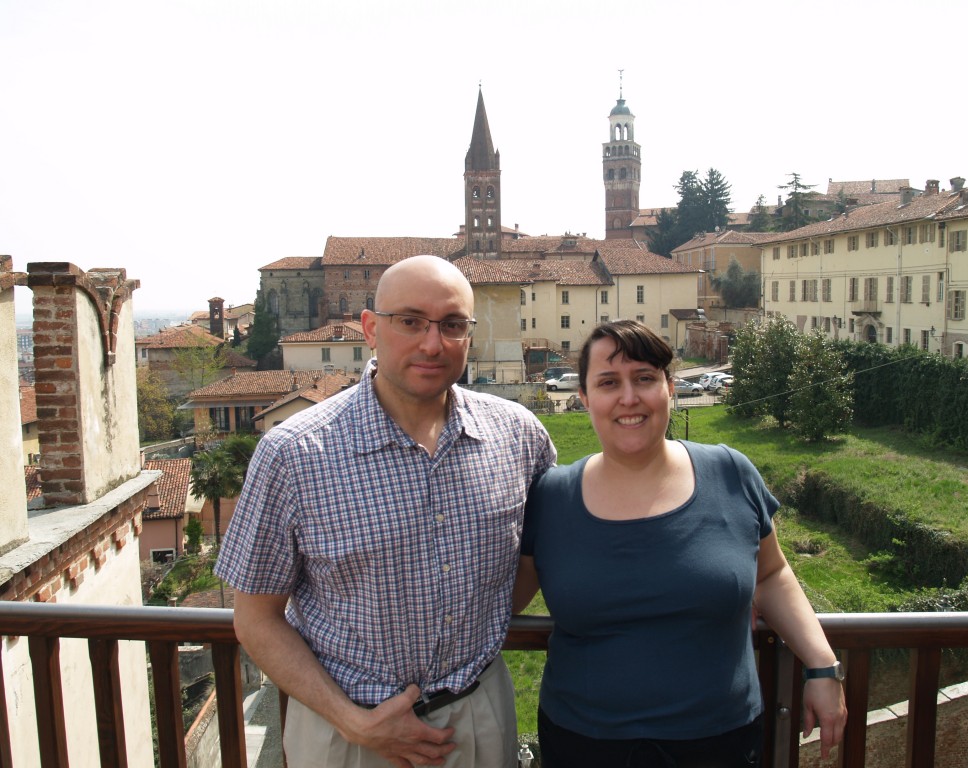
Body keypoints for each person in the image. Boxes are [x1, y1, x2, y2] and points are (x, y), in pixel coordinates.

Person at [215, 255, 556, 768]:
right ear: (371, 329)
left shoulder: (517, 435)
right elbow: (256, 619)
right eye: (411, 321)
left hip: (479, 716)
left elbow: (537, 550)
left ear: (469, 335)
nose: (432, 343)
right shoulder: (294, 452)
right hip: (348, 731)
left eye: (452, 325)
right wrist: (352, 720)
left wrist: (479, 617)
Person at [513, 320, 847, 767]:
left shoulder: (730, 473)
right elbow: (499, 603)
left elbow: (771, 574)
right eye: (609, 382)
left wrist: (822, 666)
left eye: (645, 378)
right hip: (584, 743)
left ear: (670, 387)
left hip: (721, 740)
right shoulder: (553, 497)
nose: (629, 397)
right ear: (585, 398)